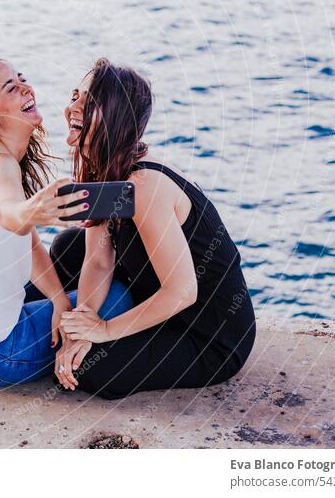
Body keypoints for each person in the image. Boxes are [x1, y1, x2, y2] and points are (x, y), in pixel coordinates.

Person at [0, 55, 135, 387]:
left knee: (72, 290)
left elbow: (26, 241)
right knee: (118, 296)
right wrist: (31, 212)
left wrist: (61, 303)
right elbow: (11, 216)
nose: (26, 89)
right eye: (11, 88)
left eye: (21, 79)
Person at [53, 58, 257, 399]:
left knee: (90, 370)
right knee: (67, 247)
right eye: (75, 96)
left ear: (117, 116)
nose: (72, 107)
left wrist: (103, 330)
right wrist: (81, 325)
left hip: (207, 336)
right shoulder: (105, 169)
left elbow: (182, 292)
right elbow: (97, 261)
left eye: (88, 102)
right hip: (155, 297)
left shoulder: (144, 184)